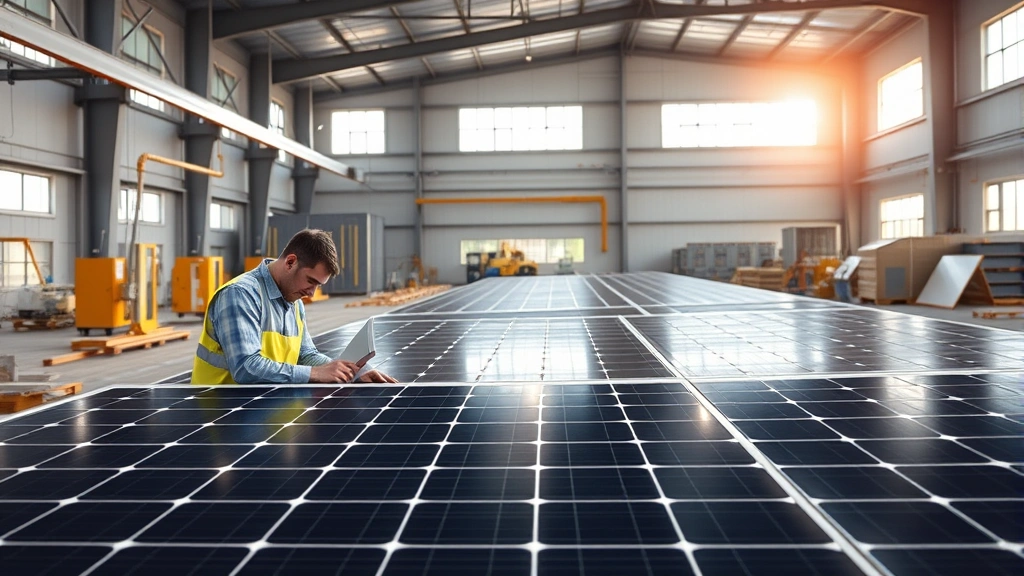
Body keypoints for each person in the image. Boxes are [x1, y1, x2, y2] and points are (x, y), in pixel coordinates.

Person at [192, 228, 397, 385]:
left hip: (263, 410)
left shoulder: (294, 301)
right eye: (310, 281)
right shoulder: (240, 295)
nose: (311, 293)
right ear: (290, 262)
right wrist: (315, 373)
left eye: (318, 285)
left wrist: (352, 371)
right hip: (221, 414)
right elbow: (246, 368)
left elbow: (306, 355)